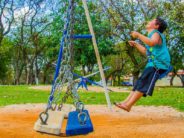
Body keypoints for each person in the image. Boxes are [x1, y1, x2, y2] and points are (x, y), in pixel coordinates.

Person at [114, 17, 171, 112]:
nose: (149, 21)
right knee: (139, 83)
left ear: (157, 26)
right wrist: (136, 44)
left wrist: (138, 35)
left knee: (143, 83)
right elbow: (146, 51)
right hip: (152, 64)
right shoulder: (151, 36)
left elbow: (152, 43)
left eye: (152, 21)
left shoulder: (156, 33)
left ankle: (128, 105)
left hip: (159, 65)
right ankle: (125, 102)